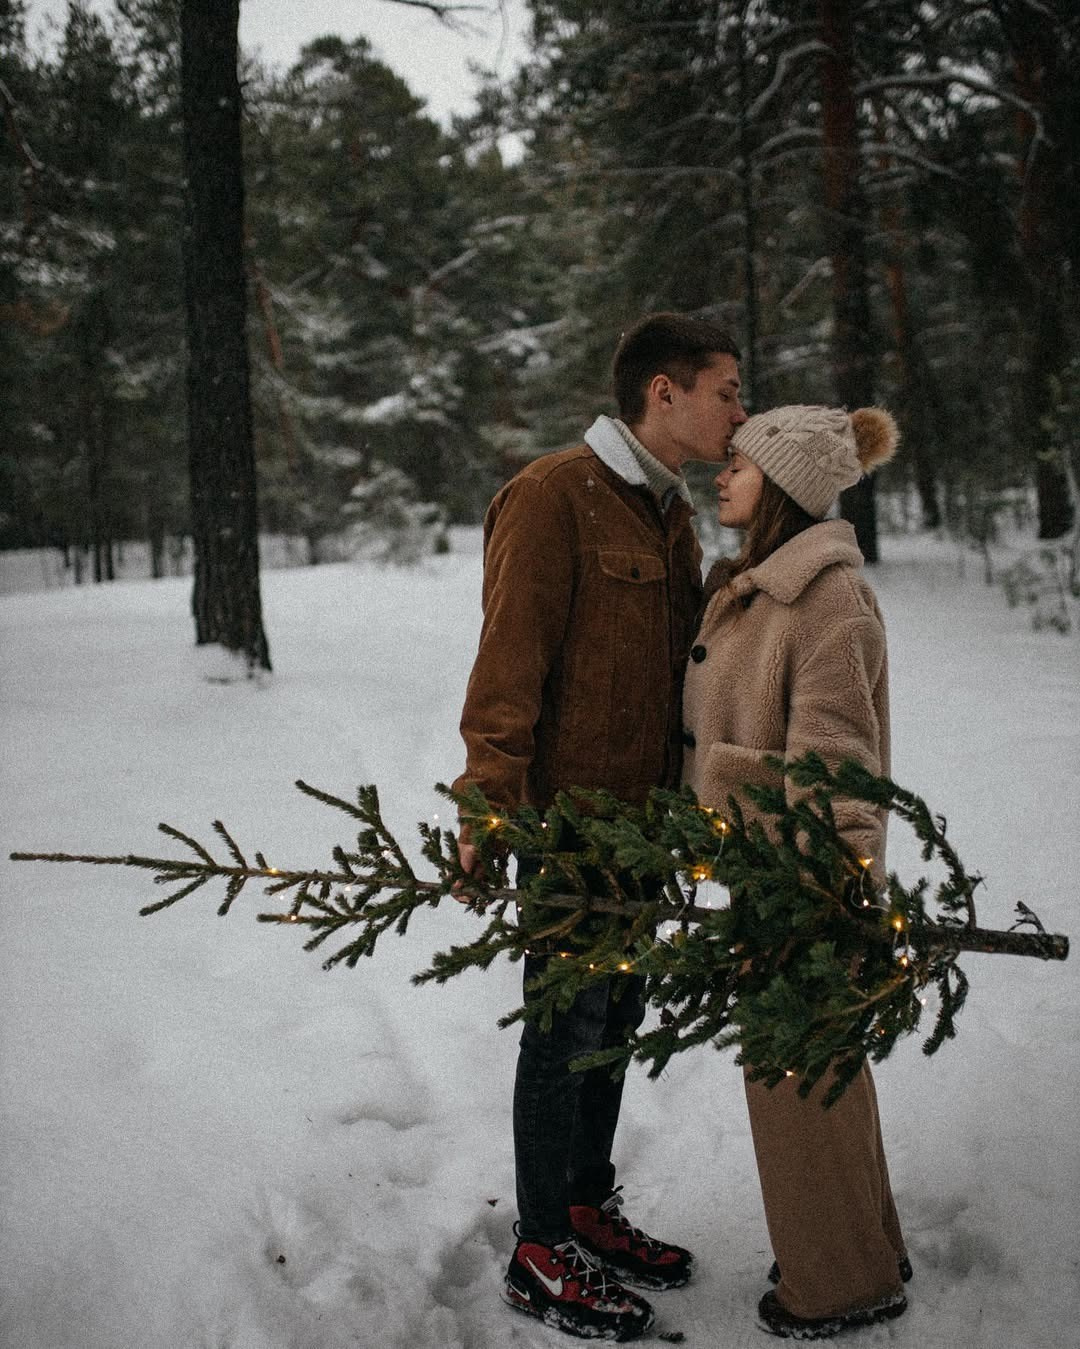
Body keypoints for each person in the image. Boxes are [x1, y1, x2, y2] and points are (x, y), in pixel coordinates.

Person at [451, 311, 747, 1341]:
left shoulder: (668, 514)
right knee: (563, 1027)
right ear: (662, 393)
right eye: (726, 389)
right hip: (572, 823)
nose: (738, 410)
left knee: (615, 1021)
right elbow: (509, 665)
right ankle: (539, 1247)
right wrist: (489, 801)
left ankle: (584, 1205)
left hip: (644, 824)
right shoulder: (552, 497)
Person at [681, 403, 909, 1340]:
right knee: (820, 1078)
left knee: (797, 1080)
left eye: (738, 464)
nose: (722, 475)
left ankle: (838, 1285)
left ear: (785, 485)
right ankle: (858, 1246)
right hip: (770, 869)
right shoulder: (765, 585)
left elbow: (841, 768)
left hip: (805, 881)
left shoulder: (824, 599)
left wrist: (838, 896)